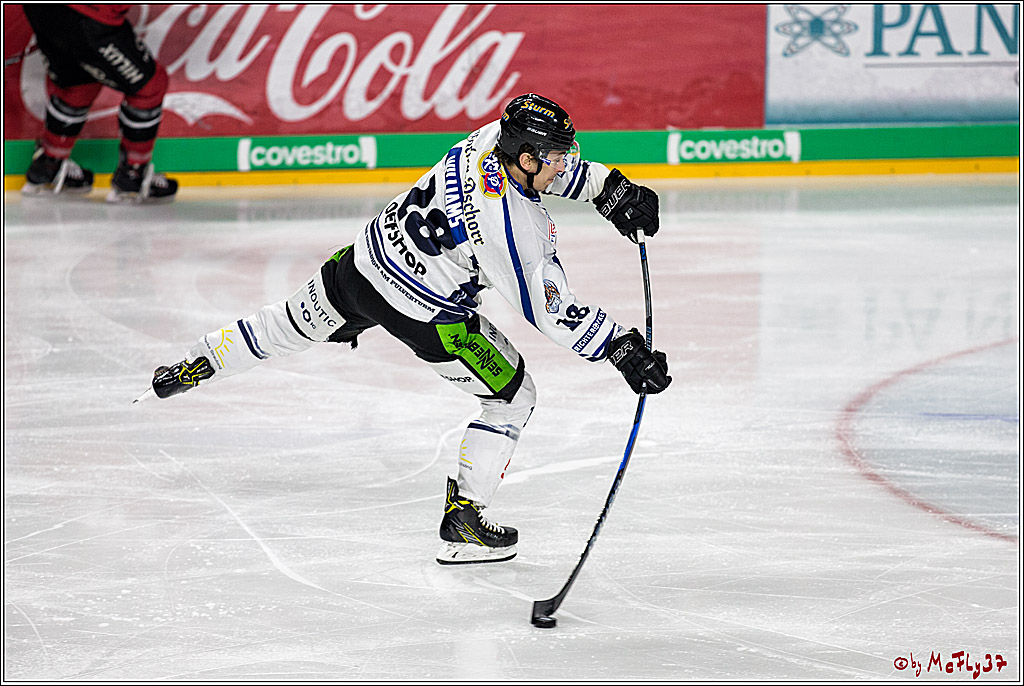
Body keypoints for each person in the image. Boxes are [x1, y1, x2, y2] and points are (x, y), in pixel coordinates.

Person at [138, 93, 671, 565]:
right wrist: (622, 349)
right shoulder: (513, 232)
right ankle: (464, 521)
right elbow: (552, 314)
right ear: (526, 157)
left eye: (566, 156)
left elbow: (548, 178)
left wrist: (611, 190)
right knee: (513, 398)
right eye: (555, 159)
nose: (565, 167)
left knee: (281, 325)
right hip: (425, 314)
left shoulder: (491, 138)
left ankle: (195, 363)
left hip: (365, 265)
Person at [20, 4, 177, 203]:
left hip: (42, 10)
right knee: (150, 87)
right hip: (88, 14)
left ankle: (48, 166)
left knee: (78, 84)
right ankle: (133, 174)